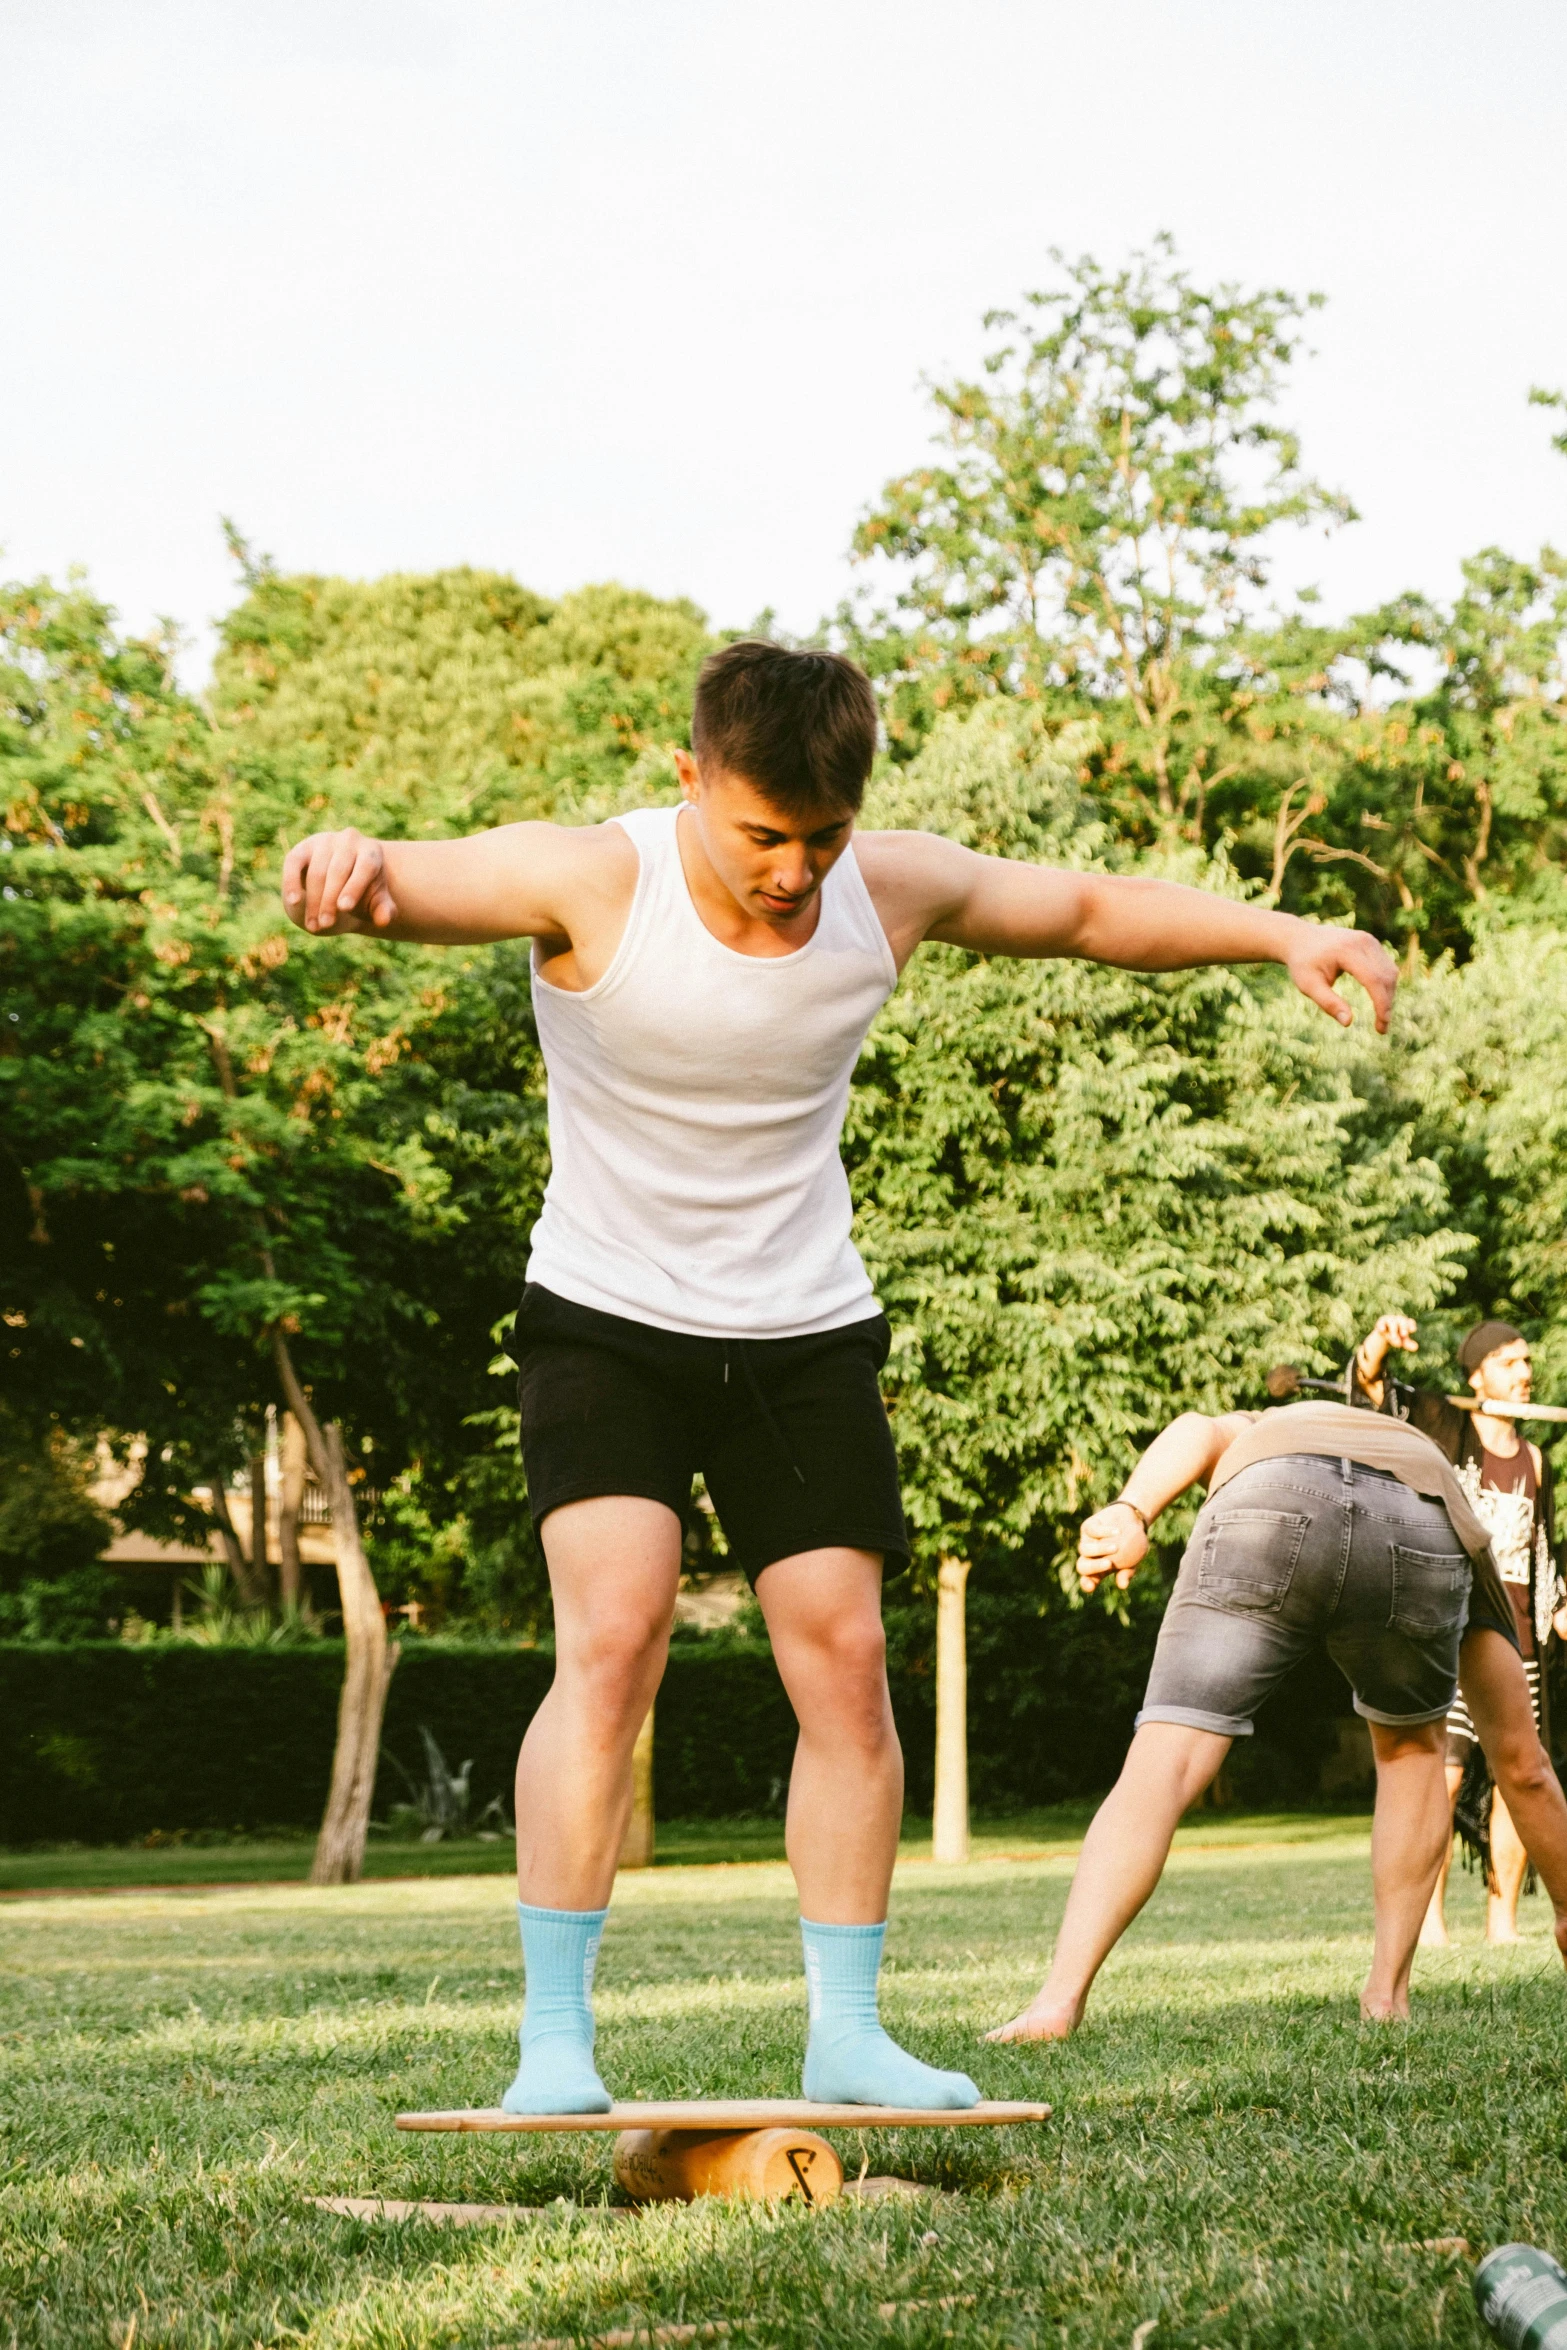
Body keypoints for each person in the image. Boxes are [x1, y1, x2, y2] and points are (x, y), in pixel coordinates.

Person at [282, 639, 1396, 2114]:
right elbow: (413, 877)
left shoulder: (887, 887)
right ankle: (554, 2043)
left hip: (801, 1327)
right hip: (604, 1318)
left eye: (822, 836)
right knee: (611, 1637)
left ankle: (846, 2031)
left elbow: (1079, 909)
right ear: (688, 780)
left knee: (846, 1663)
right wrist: (343, 859)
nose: (793, 871)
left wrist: (1277, 933)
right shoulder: (588, 877)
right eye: (760, 835)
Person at [989, 1392, 1567, 2043]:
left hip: (1268, 1490)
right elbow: (1523, 1766)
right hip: (1419, 1520)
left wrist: (1132, 1511)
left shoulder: (1269, 1424)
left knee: (1167, 1756)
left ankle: (1055, 2005)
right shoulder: (1437, 1475)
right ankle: (1385, 1997)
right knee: (1410, 1751)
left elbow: (1197, 1428)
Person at [1349, 1313, 1567, 1943]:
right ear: (1478, 1375)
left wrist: (1556, 1608)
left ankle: (1504, 1921)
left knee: (1516, 1777)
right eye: (1509, 1363)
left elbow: (1543, 1553)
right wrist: (1378, 1347)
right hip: (1449, 1631)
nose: (1525, 1374)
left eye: (1527, 1361)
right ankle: (1431, 1922)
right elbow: (1376, 1391)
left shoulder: (1536, 1460)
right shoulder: (1448, 1428)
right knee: (1438, 1775)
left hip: (1517, 1637)